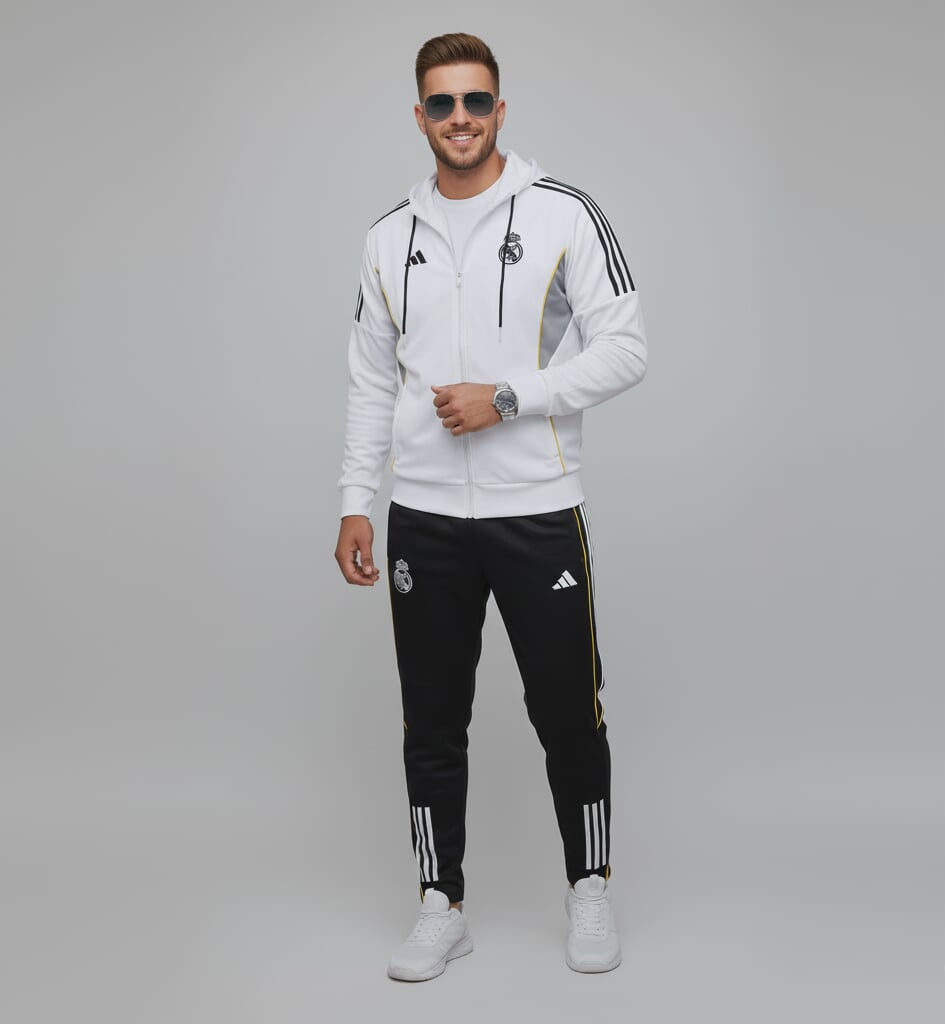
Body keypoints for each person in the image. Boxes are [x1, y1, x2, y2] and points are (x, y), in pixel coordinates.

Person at [334, 32, 648, 981]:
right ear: (419, 115)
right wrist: (355, 500)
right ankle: (442, 903)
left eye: (475, 101)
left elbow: (626, 349)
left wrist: (508, 398)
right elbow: (370, 381)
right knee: (430, 721)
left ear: (499, 110)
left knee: (567, 713)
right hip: (423, 517)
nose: (460, 118)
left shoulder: (563, 214)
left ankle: (587, 886)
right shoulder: (389, 238)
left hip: (536, 510)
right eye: (442, 103)